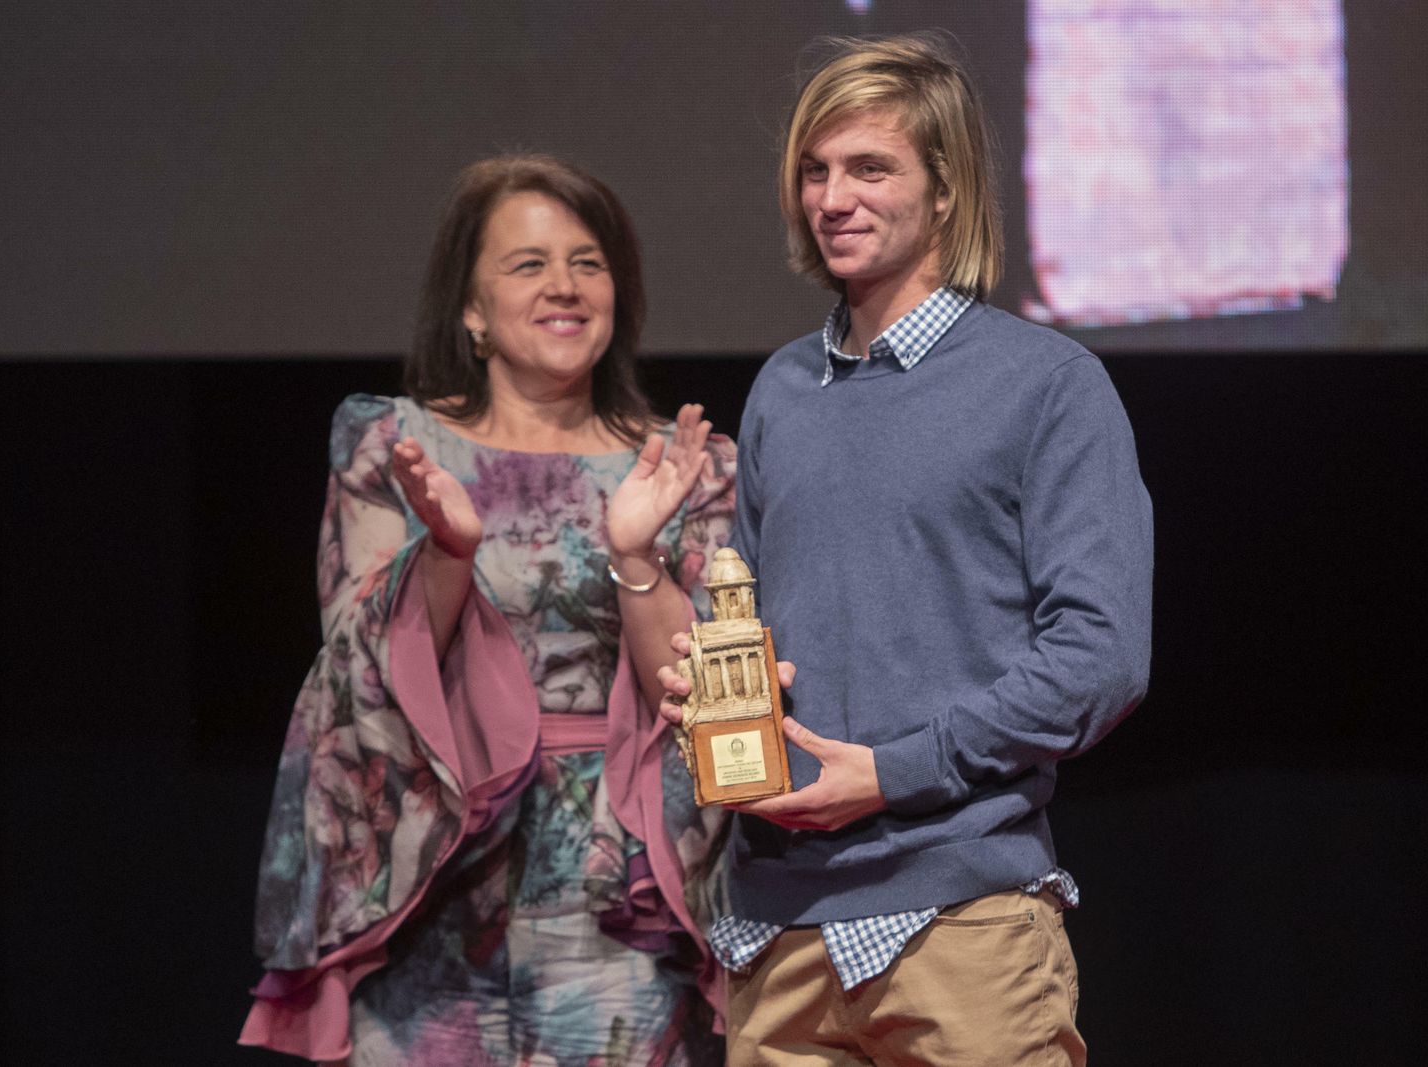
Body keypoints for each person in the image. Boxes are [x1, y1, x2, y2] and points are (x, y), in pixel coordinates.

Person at [659, 33, 1153, 1065]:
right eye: (814, 169)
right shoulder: (782, 393)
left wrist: (892, 771)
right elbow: (748, 631)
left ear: (946, 191)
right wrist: (712, 703)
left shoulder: (1046, 385)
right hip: (777, 931)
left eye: (869, 167)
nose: (832, 197)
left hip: (961, 923)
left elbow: (1099, 660)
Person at [240, 154, 737, 1065]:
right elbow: (357, 672)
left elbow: (707, 702)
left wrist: (634, 555)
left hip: (615, 905)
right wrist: (449, 554)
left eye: (589, 263)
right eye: (529, 263)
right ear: (470, 309)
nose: (566, 286)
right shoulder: (393, 444)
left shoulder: (686, 465)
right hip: (433, 887)